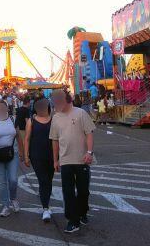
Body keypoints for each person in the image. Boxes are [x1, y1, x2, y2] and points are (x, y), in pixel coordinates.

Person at [50, 89, 95, 233]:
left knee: (83, 191)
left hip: (82, 159)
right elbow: (55, 140)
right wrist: (55, 160)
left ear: (67, 99)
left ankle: (83, 212)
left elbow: (89, 133)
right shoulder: (56, 118)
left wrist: (89, 152)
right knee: (67, 192)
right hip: (65, 160)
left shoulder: (81, 113)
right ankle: (72, 220)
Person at [0, 99, 22, 217]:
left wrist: (23, 153)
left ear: (7, 108)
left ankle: (13, 199)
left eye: (3, 108)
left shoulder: (12, 119)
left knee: (13, 179)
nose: (0, 110)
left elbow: (18, 136)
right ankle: (5, 206)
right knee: (1, 182)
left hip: (13, 153)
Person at [23, 98, 55, 222]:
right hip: (36, 155)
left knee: (49, 180)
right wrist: (26, 156)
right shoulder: (31, 121)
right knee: (43, 180)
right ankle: (45, 208)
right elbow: (27, 139)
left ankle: (46, 203)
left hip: (51, 155)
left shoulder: (54, 119)